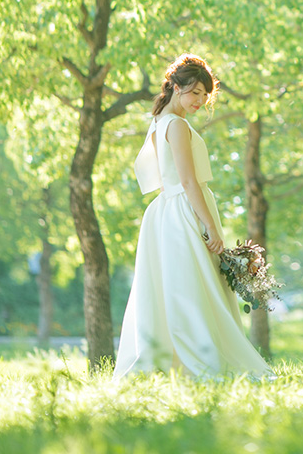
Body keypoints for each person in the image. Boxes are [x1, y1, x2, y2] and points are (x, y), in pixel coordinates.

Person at [113, 53, 270, 379]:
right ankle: (203, 361)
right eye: (195, 92)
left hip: (166, 212)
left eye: (205, 94)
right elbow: (187, 181)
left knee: (178, 286)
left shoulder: (159, 122)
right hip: (184, 210)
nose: (200, 100)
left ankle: (179, 361)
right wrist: (211, 227)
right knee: (192, 287)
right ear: (174, 86)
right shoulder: (177, 126)